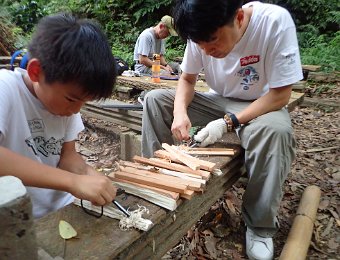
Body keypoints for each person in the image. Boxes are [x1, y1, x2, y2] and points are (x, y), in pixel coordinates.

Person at [142, 1, 303, 259]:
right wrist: (180, 112)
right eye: (200, 45)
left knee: (277, 132)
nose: (208, 50)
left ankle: (259, 226)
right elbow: (187, 78)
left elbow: (281, 94)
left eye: (213, 41)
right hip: (217, 99)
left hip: (260, 104)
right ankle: (157, 183)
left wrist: (227, 123)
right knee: (155, 100)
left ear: (239, 18)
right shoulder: (200, 30)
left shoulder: (273, 22)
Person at [0, 13, 118, 219]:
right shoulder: (5, 88)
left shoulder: (63, 104)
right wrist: (72, 182)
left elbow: (67, 156)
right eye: (72, 100)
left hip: (60, 210)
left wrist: (86, 173)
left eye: (84, 102)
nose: (75, 110)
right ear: (36, 71)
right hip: (17, 222)